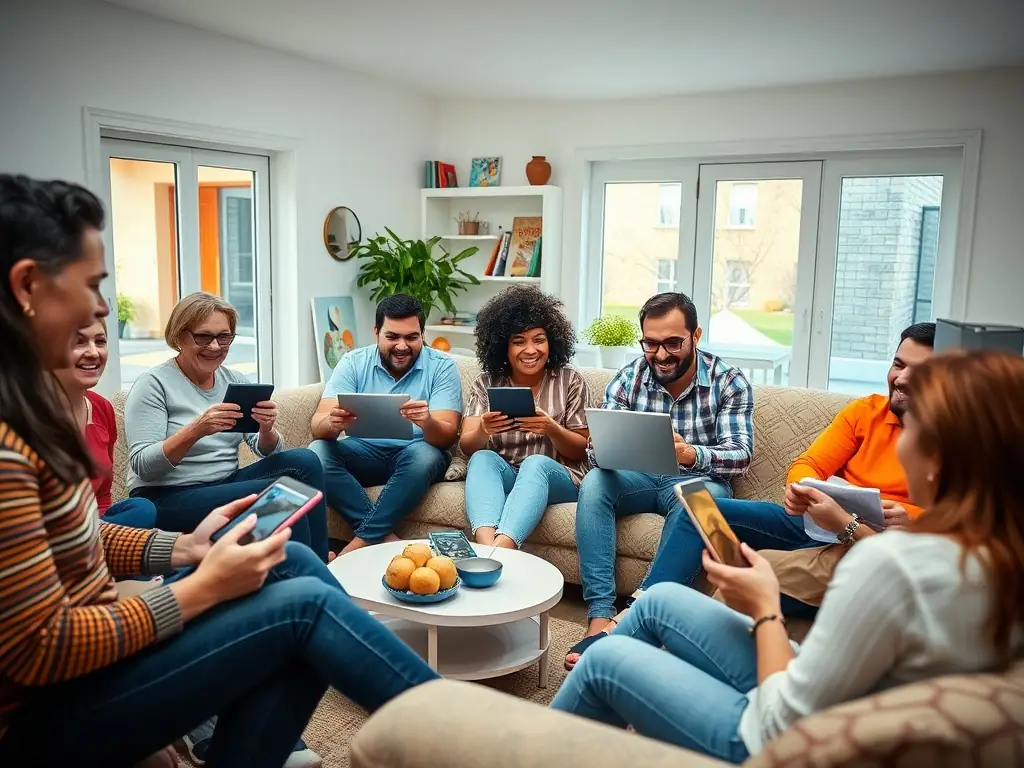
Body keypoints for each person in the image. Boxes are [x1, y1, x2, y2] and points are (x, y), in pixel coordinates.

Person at [0, 174, 439, 768]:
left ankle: (357, 665)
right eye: (91, 284)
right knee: (305, 607)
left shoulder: (32, 413)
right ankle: (466, 737)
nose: (101, 308)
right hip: (45, 711)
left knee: (294, 561)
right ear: (28, 286)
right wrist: (201, 588)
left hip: (90, 665)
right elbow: (39, 650)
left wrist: (183, 548)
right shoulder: (13, 446)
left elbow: (78, 536)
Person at [553, 349, 1024, 763]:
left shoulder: (893, 564)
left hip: (779, 738)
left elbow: (782, 721)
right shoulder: (993, 552)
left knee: (606, 664)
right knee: (659, 601)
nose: (900, 442)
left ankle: (539, 734)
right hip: (830, 688)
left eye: (913, 428)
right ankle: (615, 625)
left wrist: (765, 608)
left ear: (939, 460)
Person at [564, 322, 936, 671]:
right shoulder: (865, 412)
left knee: (699, 496)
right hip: (818, 523)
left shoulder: (957, 438)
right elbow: (807, 465)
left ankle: (634, 629)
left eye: (918, 371)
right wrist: (803, 490)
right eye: (898, 364)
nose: (901, 378)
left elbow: (960, 518)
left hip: (877, 541)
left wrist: (912, 516)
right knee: (700, 509)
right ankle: (636, 613)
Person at [568, 292, 754, 663]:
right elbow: (596, 452)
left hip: (697, 480)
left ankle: (639, 617)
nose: (661, 354)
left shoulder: (729, 382)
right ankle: (600, 615)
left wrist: (690, 454)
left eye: (673, 343)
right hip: (639, 477)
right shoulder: (629, 377)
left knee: (702, 501)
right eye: (651, 344)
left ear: (696, 336)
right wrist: (601, 447)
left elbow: (741, 456)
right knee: (595, 482)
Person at [125, 292, 330, 563]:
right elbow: (143, 466)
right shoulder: (153, 384)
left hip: (224, 483)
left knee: (306, 460)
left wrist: (266, 429)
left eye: (224, 337)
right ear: (179, 337)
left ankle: (320, 562)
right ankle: (304, 571)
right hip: (166, 495)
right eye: (203, 337)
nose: (214, 346)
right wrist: (197, 429)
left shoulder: (234, 380)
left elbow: (266, 450)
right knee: (283, 497)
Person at [309, 294, 462, 553]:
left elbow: (446, 438)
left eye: (411, 337)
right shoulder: (353, 362)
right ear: (376, 332)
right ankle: (383, 538)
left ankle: (356, 546)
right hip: (363, 452)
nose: (402, 346)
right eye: (392, 337)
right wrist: (332, 422)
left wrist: (427, 422)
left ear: (422, 334)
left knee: (425, 455)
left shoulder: (442, 367)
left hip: (417, 456)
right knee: (316, 453)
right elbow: (318, 427)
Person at [460, 286, 590, 550]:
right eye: (519, 341)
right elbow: (466, 446)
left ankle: (500, 552)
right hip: (509, 473)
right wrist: (484, 430)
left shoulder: (570, 380)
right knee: (482, 458)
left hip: (559, 476)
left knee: (535, 464)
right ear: (503, 347)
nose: (531, 350)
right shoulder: (486, 383)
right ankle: (487, 548)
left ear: (551, 342)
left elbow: (582, 451)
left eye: (539, 340)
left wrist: (552, 429)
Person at [53, 316, 158, 528]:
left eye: (100, 341)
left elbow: (102, 496)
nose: (94, 352)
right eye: (78, 342)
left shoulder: (101, 408)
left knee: (142, 509)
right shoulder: (22, 417)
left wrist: (107, 530)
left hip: (96, 523)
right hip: (50, 530)